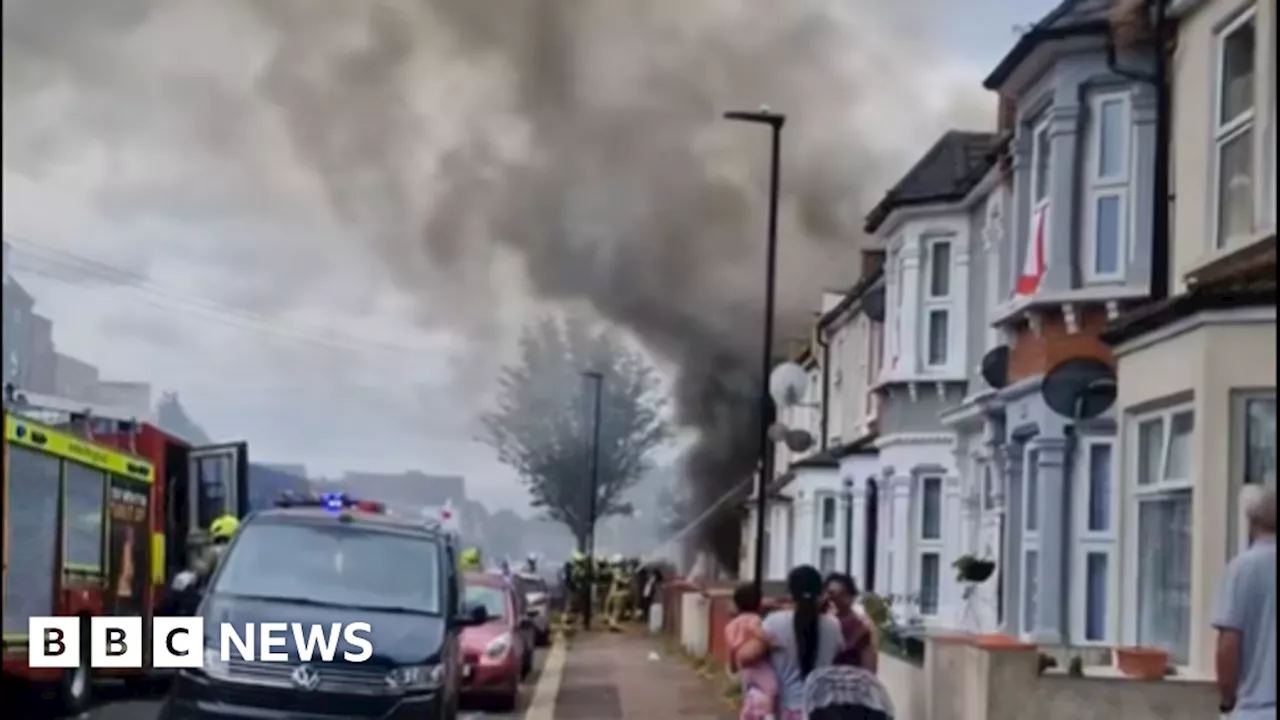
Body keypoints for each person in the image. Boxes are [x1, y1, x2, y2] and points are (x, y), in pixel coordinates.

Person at [738, 565, 844, 719]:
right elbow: (838, 656)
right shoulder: (833, 625)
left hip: (785, 711)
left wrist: (761, 638)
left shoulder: (774, 622)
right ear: (820, 592)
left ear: (789, 592)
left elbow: (745, 657)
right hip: (821, 710)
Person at [1213, 485, 1276, 719]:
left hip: (1255, 709)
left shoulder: (1241, 569)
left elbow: (1229, 644)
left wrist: (1227, 701)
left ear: (1252, 523)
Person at [725, 583, 780, 720]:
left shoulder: (731, 625)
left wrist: (732, 666)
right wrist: (772, 643)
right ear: (758, 604)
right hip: (759, 664)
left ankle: (749, 713)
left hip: (743, 667)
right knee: (772, 688)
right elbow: (758, 633)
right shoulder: (754, 619)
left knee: (749, 694)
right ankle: (768, 715)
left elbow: (731, 648)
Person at [825, 573, 877, 672]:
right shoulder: (820, 624)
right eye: (831, 595)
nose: (836, 600)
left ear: (851, 597)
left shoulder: (861, 628)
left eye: (842, 595)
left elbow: (869, 669)